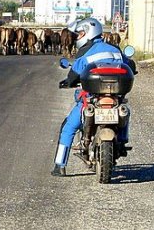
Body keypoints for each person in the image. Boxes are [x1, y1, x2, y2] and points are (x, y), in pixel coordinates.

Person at [51, 17, 135, 177]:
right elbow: (129, 64)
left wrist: (67, 83)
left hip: (92, 98)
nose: (78, 37)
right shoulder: (114, 49)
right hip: (114, 97)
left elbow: (73, 76)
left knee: (69, 127)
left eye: (80, 34)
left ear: (89, 33)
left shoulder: (85, 53)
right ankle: (122, 140)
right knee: (124, 112)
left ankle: (60, 165)